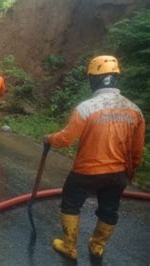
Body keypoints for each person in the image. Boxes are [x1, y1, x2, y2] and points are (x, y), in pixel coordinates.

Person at [44, 55, 145, 260]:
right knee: (109, 208)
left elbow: (66, 139)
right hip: (118, 173)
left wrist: (49, 139)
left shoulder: (86, 108)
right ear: (115, 78)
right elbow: (137, 151)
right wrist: (129, 172)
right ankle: (97, 246)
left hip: (87, 171)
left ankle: (69, 246)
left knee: (71, 203)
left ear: (94, 79)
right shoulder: (135, 110)